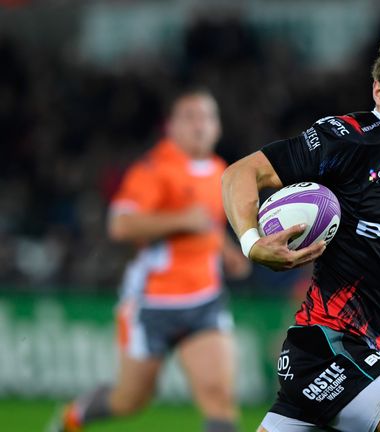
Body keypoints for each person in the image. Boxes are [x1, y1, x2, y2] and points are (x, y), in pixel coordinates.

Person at [222, 31, 380, 432]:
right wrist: (252, 243)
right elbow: (240, 174)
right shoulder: (345, 139)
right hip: (331, 349)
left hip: (352, 356)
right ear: (379, 92)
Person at [51, 88, 251, 432]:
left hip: (204, 299)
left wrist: (228, 251)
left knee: (219, 399)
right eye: (190, 117)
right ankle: (73, 417)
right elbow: (120, 224)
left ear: (218, 127)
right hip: (152, 303)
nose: (199, 125)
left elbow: (207, 224)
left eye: (207, 117)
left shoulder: (219, 169)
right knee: (129, 401)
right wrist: (180, 219)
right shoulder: (154, 169)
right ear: (170, 127)